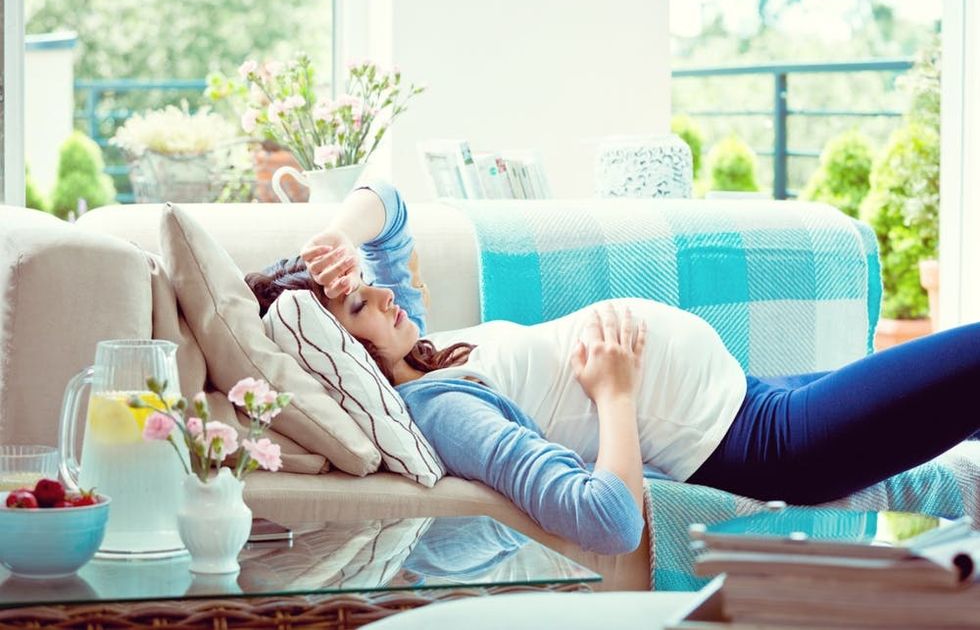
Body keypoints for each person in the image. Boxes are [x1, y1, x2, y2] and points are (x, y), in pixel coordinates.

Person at [246, 181, 980, 555]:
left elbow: (392, 208)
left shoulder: (416, 351)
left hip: (753, 395)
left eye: (361, 283)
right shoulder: (441, 409)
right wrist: (615, 392)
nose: (379, 291)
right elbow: (608, 521)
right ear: (344, 357)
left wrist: (336, 238)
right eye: (357, 306)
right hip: (770, 439)